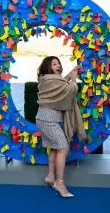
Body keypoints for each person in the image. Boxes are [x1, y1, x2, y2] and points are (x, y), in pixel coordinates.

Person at [35, 56, 85, 198]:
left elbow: (62, 83)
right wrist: (74, 79)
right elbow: (71, 89)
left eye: (58, 63)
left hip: (44, 118)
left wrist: (71, 73)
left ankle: (50, 176)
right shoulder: (51, 80)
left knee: (54, 147)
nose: (58, 65)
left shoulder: (49, 79)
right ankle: (59, 183)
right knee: (63, 148)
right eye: (54, 64)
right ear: (47, 67)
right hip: (48, 120)